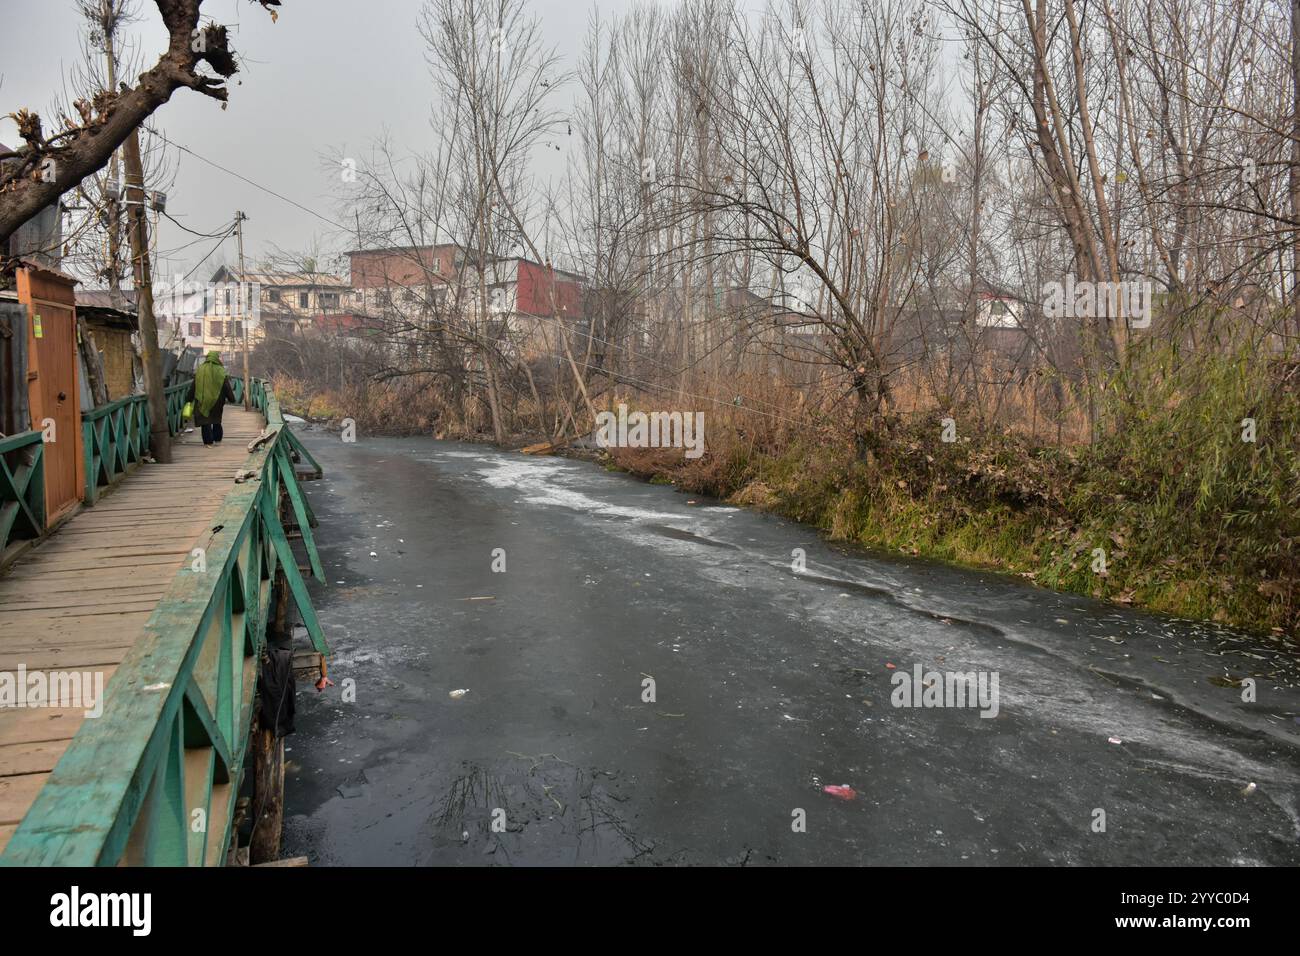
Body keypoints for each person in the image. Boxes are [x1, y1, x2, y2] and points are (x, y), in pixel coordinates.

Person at [190, 350, 237, 447]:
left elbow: (194, 385)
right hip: (218, 400)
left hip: (202, 399)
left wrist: (189, 398)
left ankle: (208, 442)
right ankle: (217, 439)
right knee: (216, 419)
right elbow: (226, 386)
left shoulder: (200, 369)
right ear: (217, 358)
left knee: (205, 421)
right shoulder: (220, 370)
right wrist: (231, 398)